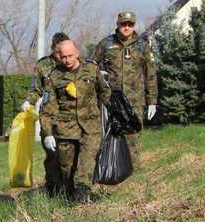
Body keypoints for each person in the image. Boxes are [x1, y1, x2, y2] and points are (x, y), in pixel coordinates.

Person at [40, 40, 111, 203]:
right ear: (58, 56)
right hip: (66, 128)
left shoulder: (91, 70)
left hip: (90, 124)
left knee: (87, 158)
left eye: (70, 55)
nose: (67, 60)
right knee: (67, 167)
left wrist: (115, 112)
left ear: (77, 53)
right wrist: (47, 133)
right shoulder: (53, 76)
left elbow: (105, 92)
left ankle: (83, 191)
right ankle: (70, 194)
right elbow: (47, 108)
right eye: (63, 57)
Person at [91, 11, 158, 166]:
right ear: (118, 25)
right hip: (110, 100)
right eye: (124, 24)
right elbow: (90, 66)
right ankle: (109, 167)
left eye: (130, 24)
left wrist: (152, 101)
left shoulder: (142, 46)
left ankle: (132, 171)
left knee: (133, 136)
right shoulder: (106, 44)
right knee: (109, 134)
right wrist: (98, 73)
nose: (127, 27)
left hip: (135, 100)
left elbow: (151, 74)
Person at [22, 32, 70, 196]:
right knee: (52, 155)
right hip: (49, 117)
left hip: (70, 116)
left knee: (69, 153)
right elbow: (35, 89)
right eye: (58, 51)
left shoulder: (73, 61)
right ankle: (53, 189)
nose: (62, 55)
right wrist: (29, 101)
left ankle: (70, 187)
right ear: (53, 48)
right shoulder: (43, 66)